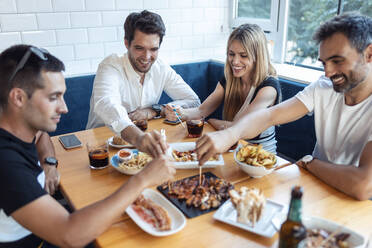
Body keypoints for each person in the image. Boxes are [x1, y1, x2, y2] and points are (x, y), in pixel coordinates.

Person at [0, 44, 175, 247]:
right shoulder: (6, 163)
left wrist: (49, 163)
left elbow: (42, 136)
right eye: (53, 97)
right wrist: (143, 179)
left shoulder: (18, 127)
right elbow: (69, 235)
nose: (64, 107)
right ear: (18, 97)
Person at [195, 12, 372, 200]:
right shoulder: (323, 87)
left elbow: (363, 185)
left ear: (369, 54)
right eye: (324, 63)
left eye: (337, 61)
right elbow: (269, 116)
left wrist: (310, 163)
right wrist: (229, 134)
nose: (328, 72)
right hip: (314, 187)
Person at [86, 10, 200, 157]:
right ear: (127, 43)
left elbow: (194, 102)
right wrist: (138, 138)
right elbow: (107, 104)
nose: (147, 57)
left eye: (153, 49)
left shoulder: (161, 67)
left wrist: (157, 110)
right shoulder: (110, 66)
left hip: (142, 150)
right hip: (101, 148)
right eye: (139, 48)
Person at [165, 24, 281, 153]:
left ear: (258, 57)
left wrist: (213, 121)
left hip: (261, 159)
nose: (235, 61)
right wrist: (180, 113)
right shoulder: (230, 79)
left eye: (243, 56)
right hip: (233, 151)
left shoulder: (269, 88)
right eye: (231, 54)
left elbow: (238, 128)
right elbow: (201, 110)